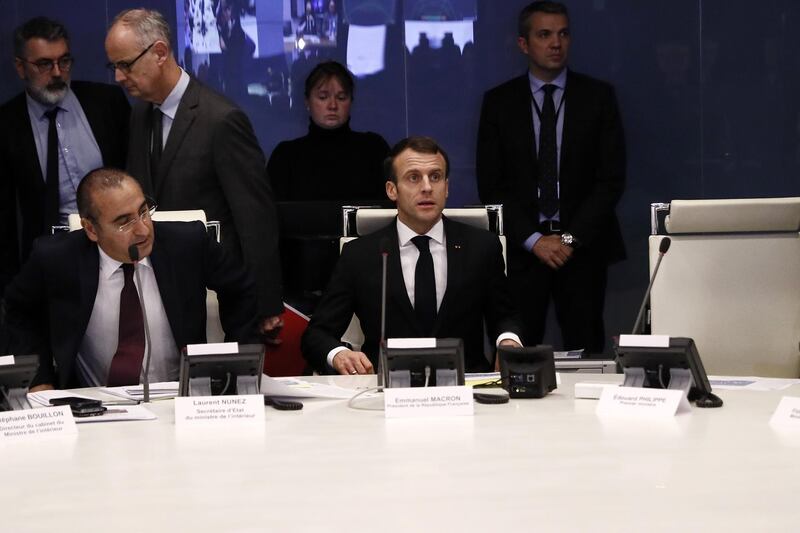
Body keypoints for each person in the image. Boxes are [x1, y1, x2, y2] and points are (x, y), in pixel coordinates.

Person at [104, 8, 284, 339]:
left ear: (159, 52)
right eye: (113, 66)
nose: (118, 77)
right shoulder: (141, 114)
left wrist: (267, 303)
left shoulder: (221, 119)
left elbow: (255, 218)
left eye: (125, 65)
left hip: (217, 289)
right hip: (158, 284)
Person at [3, 168, 259, 391]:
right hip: (93, 401)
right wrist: (39, 379)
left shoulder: (188, 243)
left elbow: (242, 290)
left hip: (178, 396)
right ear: (91, 229)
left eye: (144, 211)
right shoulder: (56, 258)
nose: (143, 230)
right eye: (124, 222)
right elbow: (19, 312)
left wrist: (232, 367)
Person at [476, 1, 626, 354]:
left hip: (582, 249)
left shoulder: (598, 97)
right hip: (522, 250)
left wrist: (569, 240)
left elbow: (611, 181)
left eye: (563, 33)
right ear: (524, 44)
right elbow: (491, 185)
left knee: (587, 346)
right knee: (519, 351)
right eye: (544, 35)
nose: (556, 43)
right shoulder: (499, 102)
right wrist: (534, 240)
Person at [302, 136, 522, 375]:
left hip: (466, 387)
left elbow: (505, 317)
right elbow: (317, 334)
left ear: (446, 188)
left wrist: (508, 341)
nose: (427, 187)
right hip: (384, 391)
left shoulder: (482, 247)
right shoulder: (360, 255)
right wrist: (339, 355)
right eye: (413, 177)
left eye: (435, 177)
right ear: (391, 190)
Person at [0, 17, 130, 293]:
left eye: (64, 61)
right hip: (51, 263)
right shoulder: (7, 124)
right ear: (21, 67)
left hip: (116, 252)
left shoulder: (107, 103)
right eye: (44, 64)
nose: (58, 72)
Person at [267, 60, 390, 203]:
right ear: (307, 102)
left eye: (341, 97)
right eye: (323, 97)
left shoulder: (374, 150)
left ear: (351, 101)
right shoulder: (286, 157)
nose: (332, 105)